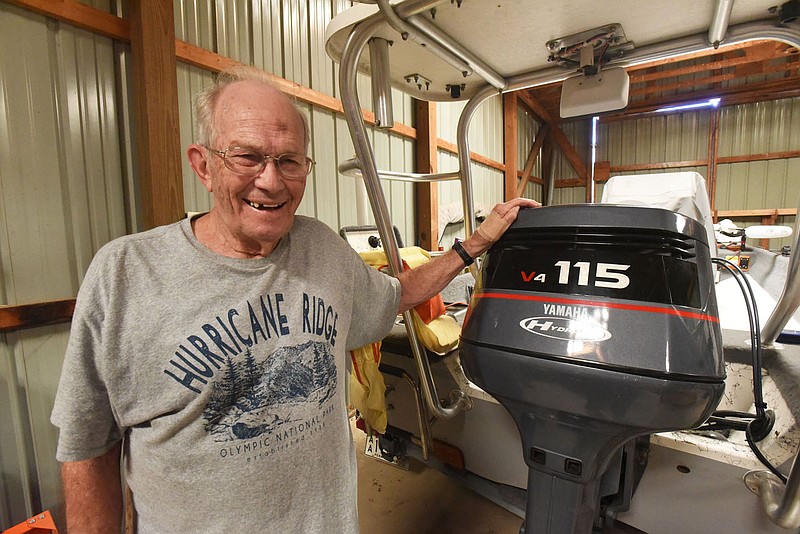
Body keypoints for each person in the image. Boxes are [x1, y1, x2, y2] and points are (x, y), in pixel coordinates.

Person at [51, 65, 538, 533]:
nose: (271, 181)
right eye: (246, 156)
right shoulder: (125, 274)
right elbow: (87, 446)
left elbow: (396, 295)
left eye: (289, 161)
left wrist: (472, 244)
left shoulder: (322, 248)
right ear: (203, 165)